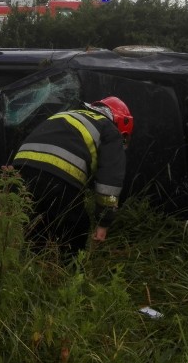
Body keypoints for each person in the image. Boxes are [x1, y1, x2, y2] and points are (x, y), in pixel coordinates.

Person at [11, 96, 133, 254]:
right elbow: (109, 183)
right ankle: (70, 271)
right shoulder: (110, 130)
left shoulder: (69, 115)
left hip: (21, 168)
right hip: (59, 176)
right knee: (76, 227)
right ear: (120, 124)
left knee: (37, 221)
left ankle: (36, 263)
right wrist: (104, 222)